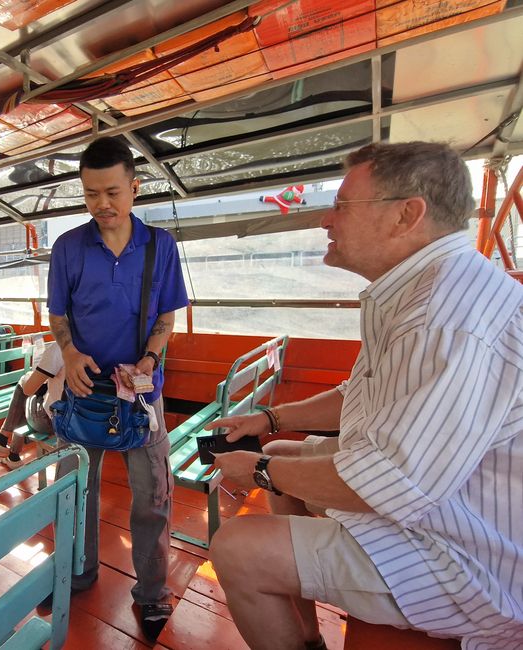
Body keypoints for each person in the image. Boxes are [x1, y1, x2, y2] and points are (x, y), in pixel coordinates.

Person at [205, 142, 523, 650]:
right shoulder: (430, 288)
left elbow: (386, 483)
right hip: (445, 506)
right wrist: (270, 418)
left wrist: (257, 470)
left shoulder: (441, 317)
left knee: (235, 547)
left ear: (406, 215)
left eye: (342, 206)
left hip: (472, 557)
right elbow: (365, 391)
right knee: (284, 451)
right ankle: (307, 636)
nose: (326, 220)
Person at [46, 136, 189, 640]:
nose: (102, 204)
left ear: (134, 187)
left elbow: (168, 315)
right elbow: (59, 313)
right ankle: (78, 573)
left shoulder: (160, 246)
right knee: (75, 491)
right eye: (90, 195)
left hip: (141, 394)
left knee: (152, 497)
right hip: (83, 390)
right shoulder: (68, 247)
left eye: (112, 192)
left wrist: (149, 359)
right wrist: (68, 353)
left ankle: (152, 593)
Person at [0, 340, 64, 468]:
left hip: (53, 423)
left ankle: (3, 438)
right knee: (34, 399)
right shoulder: (99, 347)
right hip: (83, 421)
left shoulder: (59, 348)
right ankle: (11, 454)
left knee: (24, 389)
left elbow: (28, 388)